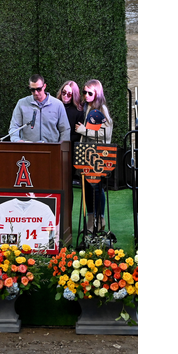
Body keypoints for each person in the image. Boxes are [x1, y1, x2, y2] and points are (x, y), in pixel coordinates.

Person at [75, 79, 113, 237]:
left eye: (90, 93)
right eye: (84, 92)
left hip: (97, 155)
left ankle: (100, 221)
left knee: (97, 188)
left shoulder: (101, 109)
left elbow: (106, 135)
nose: (86, 95)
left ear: (97, 93)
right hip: (87, 154)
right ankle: (91, 224)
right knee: (88, 189)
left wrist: (84, 130)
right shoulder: (86, 107)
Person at [7, 74, 70, 143]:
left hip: (51, 148)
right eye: (32, 90)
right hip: (28, 148)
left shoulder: (57, 104)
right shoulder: (22, 103)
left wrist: (62, 148)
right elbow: (14, 126)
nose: (36, 93)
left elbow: (65, 129)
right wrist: (16, 140)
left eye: (38, 89)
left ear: (44, 86)